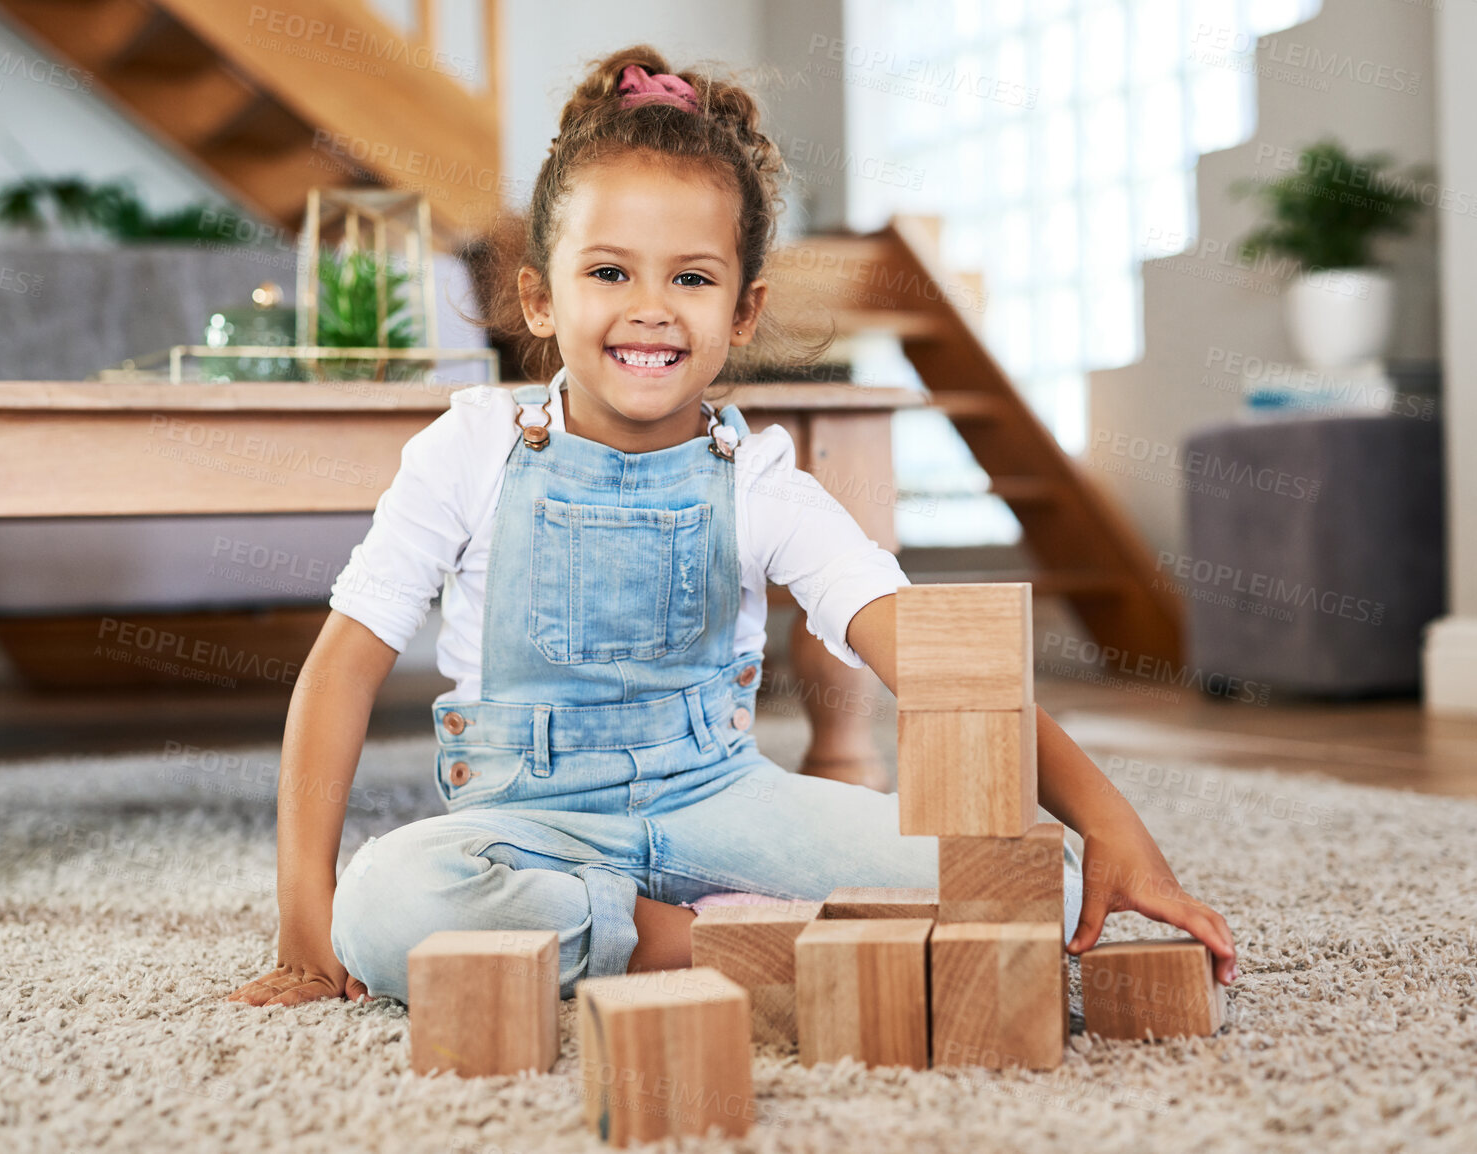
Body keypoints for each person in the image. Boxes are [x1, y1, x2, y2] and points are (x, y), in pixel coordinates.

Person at [227, 46, 1236, 1009]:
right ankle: (718, 938)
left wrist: (1108, 821)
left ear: (744, 310)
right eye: (610, 273)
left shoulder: (759, 477)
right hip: (530, 824)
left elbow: (932, 662)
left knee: (1037, 882)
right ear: (538, 296)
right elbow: (342, 669)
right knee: (385, 905)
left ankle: (695, 930)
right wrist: (303, 917)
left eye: (693, 278)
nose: (652, 309)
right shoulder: (468, 447)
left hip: (723, 802)